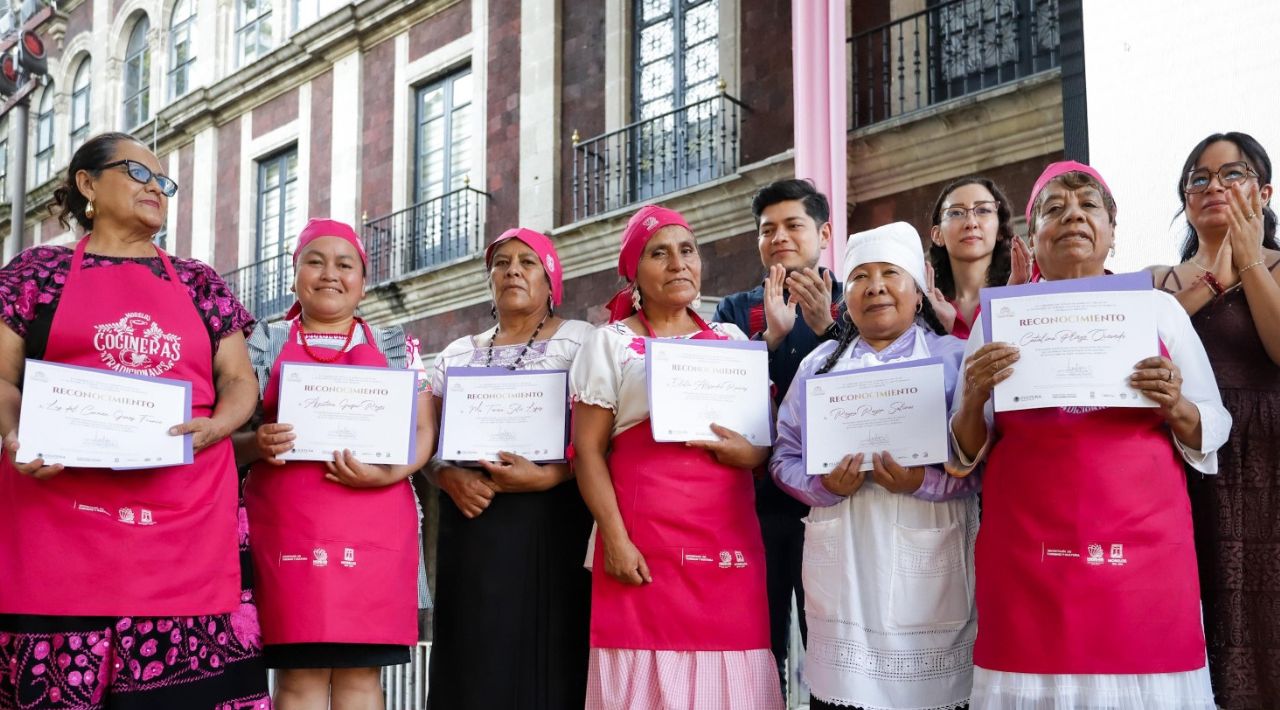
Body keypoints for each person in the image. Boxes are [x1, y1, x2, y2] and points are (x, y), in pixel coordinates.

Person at [0, 132, 269, 708]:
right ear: (88, 184)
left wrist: (221, 426)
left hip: (184, 527)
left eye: (163, 181)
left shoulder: (199, 280)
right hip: (57, 526)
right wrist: (14, 434)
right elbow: (1, 376)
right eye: (138, 173)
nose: (156, 188)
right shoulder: (34, 273)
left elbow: (240, 381)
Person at [952, 161, 1230, 708]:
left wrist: (1176, 405)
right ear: (1032, 238)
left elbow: (1214, 424)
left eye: (1088, 206)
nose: (1073, 215)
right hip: (1030, 556)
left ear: (1112, 229)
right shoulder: (998, 321)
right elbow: (964, 447)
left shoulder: (1159, 312)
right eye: (1054, 208)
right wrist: (973, 396)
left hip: (1141, 554)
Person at [571, 205, 783, 709]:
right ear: (634, 272)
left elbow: (760, 446)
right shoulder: (611, 344)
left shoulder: (731, 342)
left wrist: (748, 451)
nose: (678, 264)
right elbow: (587, 452)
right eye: (659, 254)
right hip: (643, 548)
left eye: (687, 251)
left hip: (725, 545)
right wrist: (616, 543)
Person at [771, 222, 979, 709]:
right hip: (844, 569)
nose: (877, 286)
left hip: (933, 566)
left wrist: (922, 481)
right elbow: (783, 456)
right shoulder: (818, 367)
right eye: (861, 277)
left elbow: (982, 464)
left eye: (891, 273)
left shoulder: (954, 361)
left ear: (918, 293)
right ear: (846, 296)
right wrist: (822, 486)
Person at [238, 218, 435, 709]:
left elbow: (424, 430)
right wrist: (257, 442)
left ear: (362, 283)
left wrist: (388, 473)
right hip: (288, 531)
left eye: (344, 264)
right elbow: (225, 435)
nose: (330, 274)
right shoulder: (260, 342)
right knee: (299, 678)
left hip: (375, 530)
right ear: (294, 275)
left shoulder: (396, 345)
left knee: (361, 678)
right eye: (315, 261)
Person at [425, 227, 593, 709]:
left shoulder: (579, 342)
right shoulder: (458, 354)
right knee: (475, 653)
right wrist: (446, 476)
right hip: (473, 518)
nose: (513, 270)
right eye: (501, 263)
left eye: (527, 262)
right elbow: (427, 444)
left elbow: (600, 435)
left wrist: (550, 476)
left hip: (553, 518)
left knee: (551, 650)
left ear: (550, 280)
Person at [1147, 131, 1280, 708]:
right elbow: (1139, 342)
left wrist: (1248, 259)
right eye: (1198, 178)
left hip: (1270, 453)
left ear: (1265, 191)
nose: (1214, 186)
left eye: (1233, 174)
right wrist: (1209, 280)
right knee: (1210, 606)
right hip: (1194, 455)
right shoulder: (1158, 281)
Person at [712, 178, 843, 693]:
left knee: (830, 639)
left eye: (793, 225)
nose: (780, 237)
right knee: (759, 641)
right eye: (768, 230)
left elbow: (871, 385)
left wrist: (827, 327)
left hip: (834, 500)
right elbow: (719, 395)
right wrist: (771, 340)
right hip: (756, 504)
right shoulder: (733, 311)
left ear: (824, 232)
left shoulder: (855, 299)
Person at [924, 176, 1028, 338]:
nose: (971, 223)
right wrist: (937, 328)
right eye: (956, 213)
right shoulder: (922, 307)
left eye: (983, 210)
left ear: (1000, 229)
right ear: (938, 235)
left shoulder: (1026, 292)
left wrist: (1009, 301)